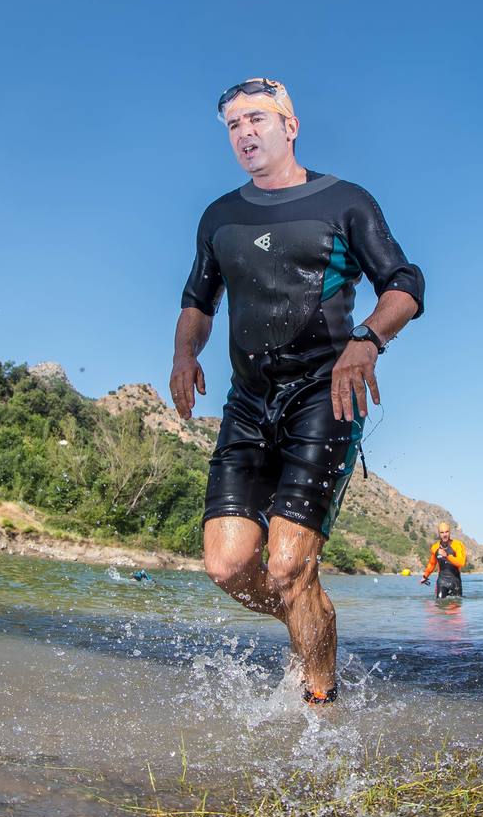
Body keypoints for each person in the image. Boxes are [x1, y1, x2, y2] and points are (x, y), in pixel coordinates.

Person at [170, 78, 425, 705]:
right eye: (233, 125)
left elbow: (407, 283)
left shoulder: (344, 201)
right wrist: (183, 353)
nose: (245, 133)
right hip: (248, 404)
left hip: (326, 397)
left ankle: (321, 702)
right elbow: (197, 301)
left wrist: (367, 341)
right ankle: (304, 614)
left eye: (257, 118)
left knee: (287, 565)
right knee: (227, 566)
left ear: (291, 125)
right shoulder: (219, 217)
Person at [421, 521, 465, 599]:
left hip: (455, 582)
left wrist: (447, 556)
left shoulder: (458, 545)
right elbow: (432, 564)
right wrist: (425, 576)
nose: (444, 535)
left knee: (455, 609)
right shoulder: (435, 547)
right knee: (440, 606)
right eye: (442, 532)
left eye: (446, 532)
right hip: (442, 581)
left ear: (450, 532)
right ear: (439, 533)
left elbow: (461, 562)